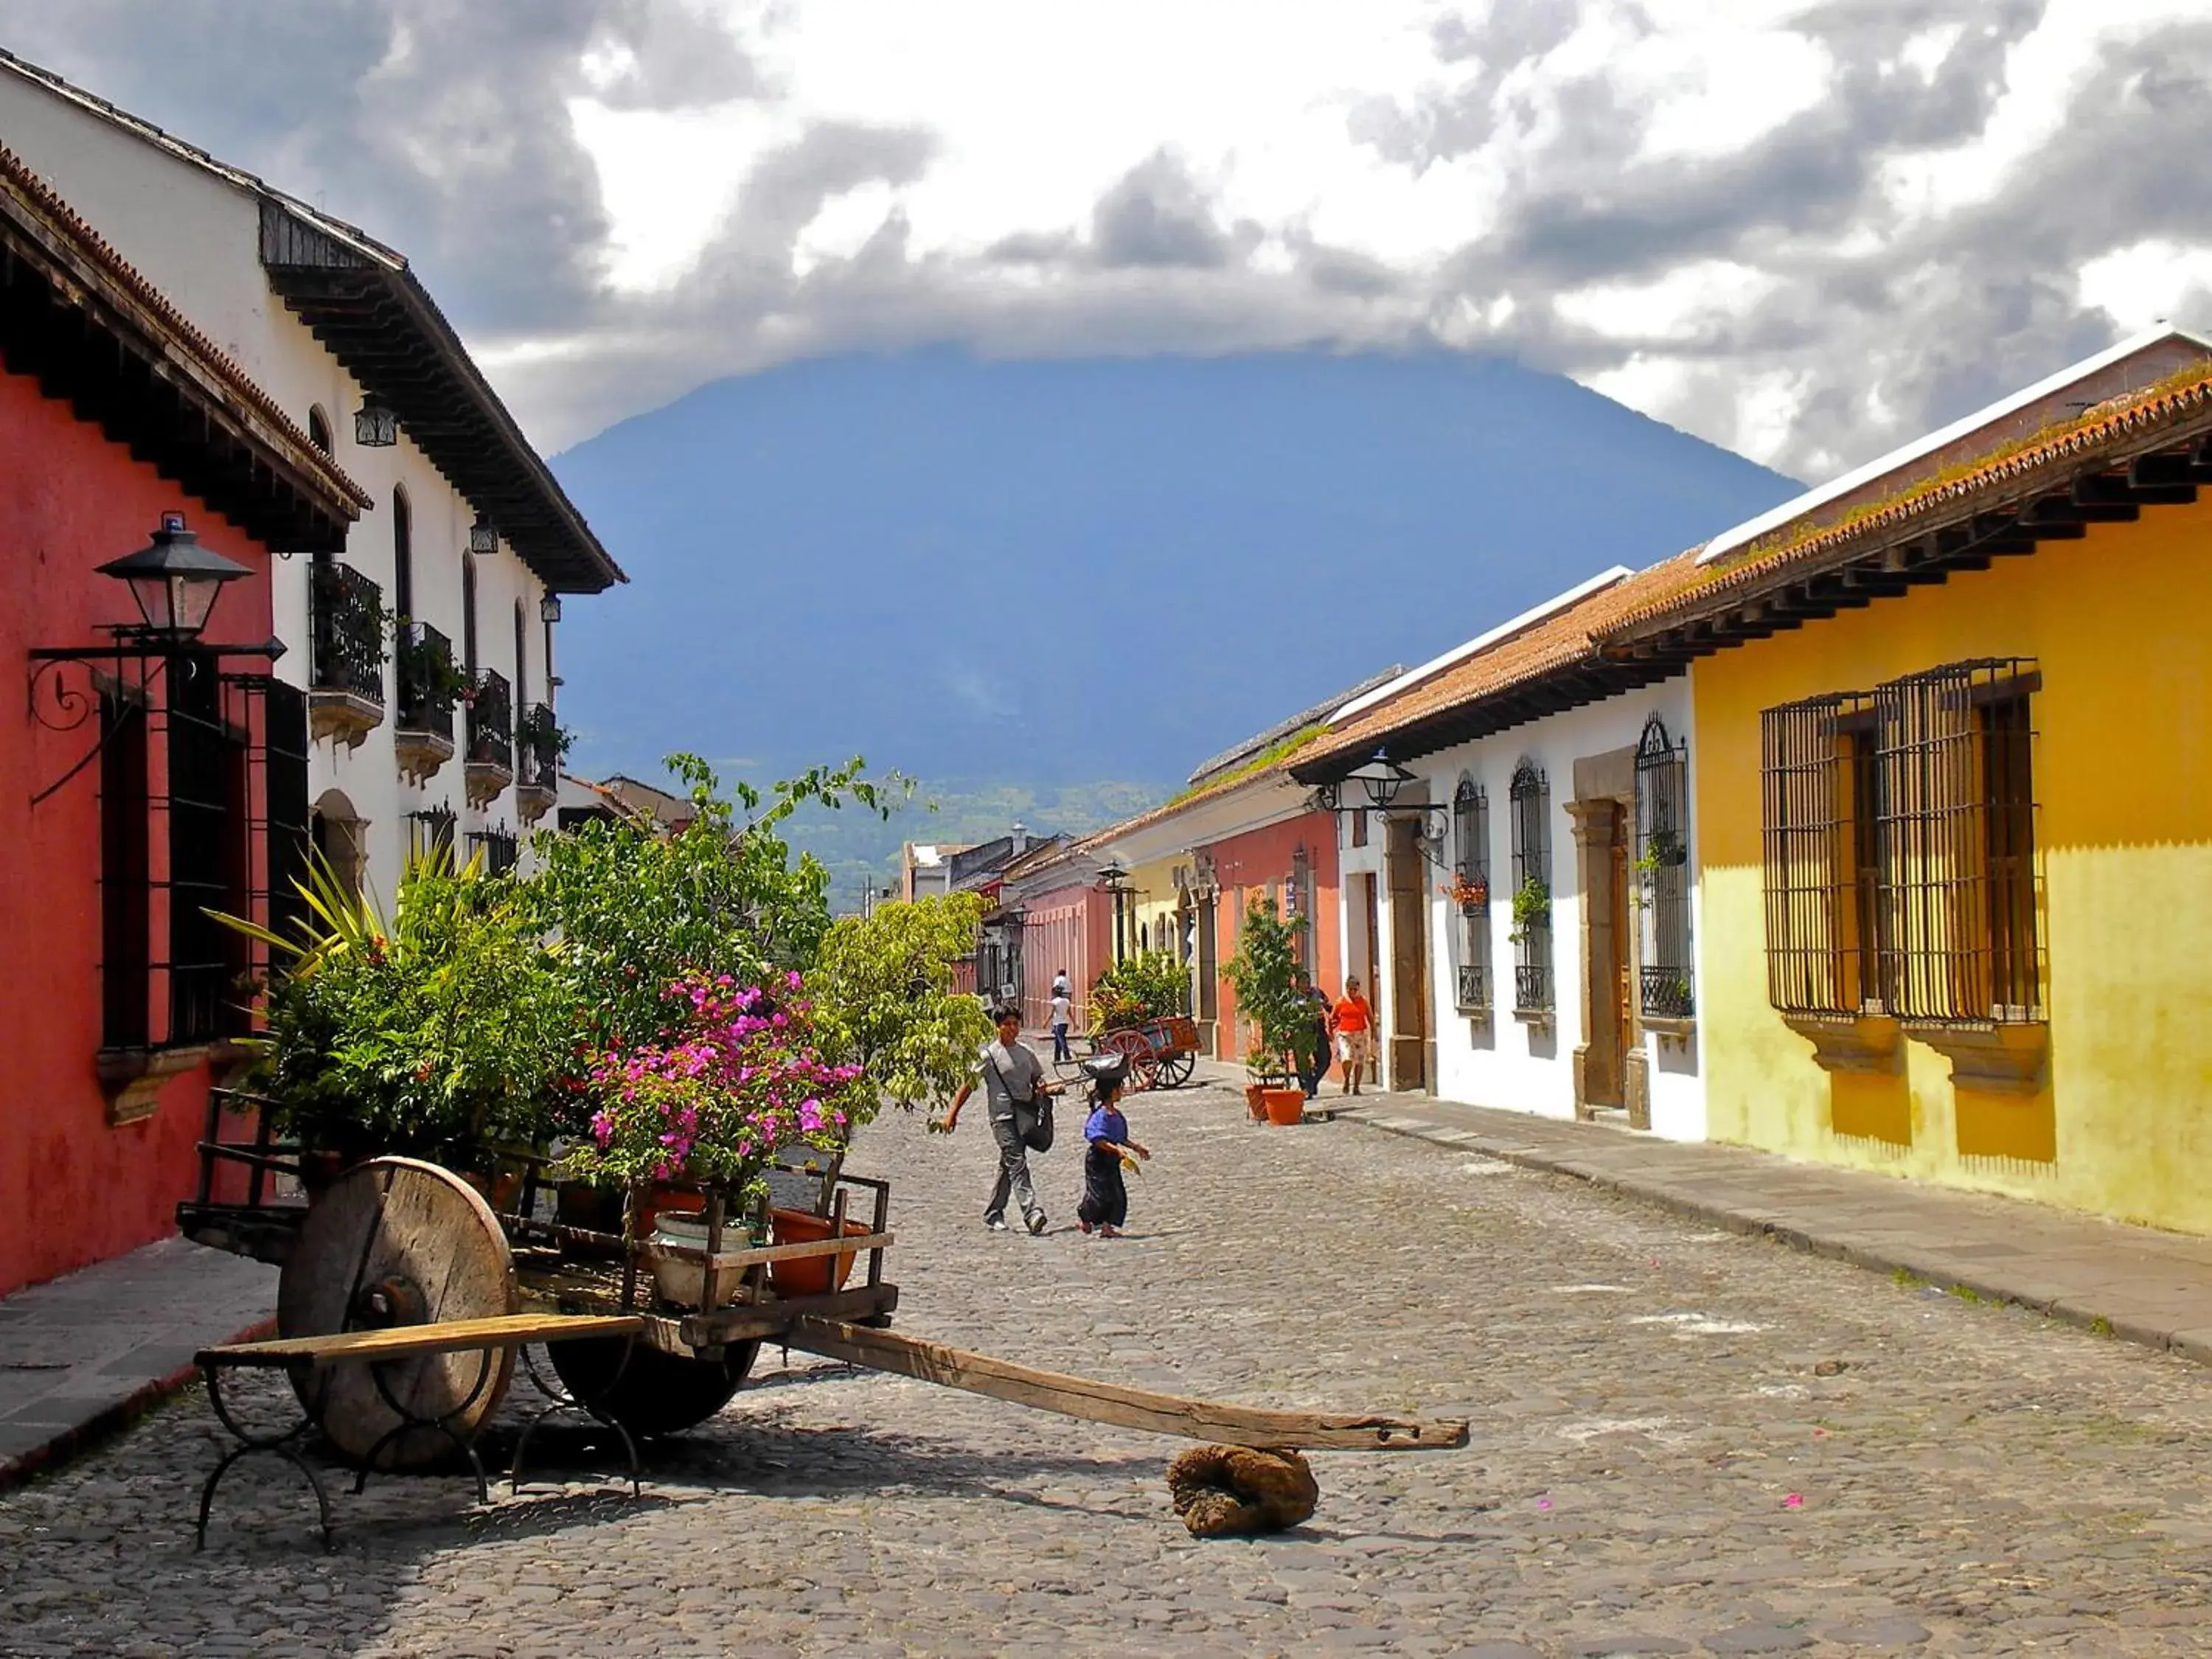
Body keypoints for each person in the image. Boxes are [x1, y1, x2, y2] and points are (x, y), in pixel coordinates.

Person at [944, 1005, 1065, 1234]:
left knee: (1009, 1164)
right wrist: (953, 1114)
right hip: (1002, 1118)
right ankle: (1032, 1213)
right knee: (1017, 1161)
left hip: (1025, 1115)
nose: (1012, 1028)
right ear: (997, 1026)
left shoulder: (1026, 1052)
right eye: (1007, 1024)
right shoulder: (988, 1056)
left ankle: (993, 1213)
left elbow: (1038, 1077)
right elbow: (968, 1085)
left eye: (1015, 1024)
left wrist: (1042, 1086)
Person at [1075, 1055, 1150, 1237]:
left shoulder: (1116, 1114)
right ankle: (1085, 1218)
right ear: (1112, 1091)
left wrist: (1136, 1147)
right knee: (1099, 1195)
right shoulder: (1100, 1115)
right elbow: (1097, 1139)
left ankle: (1108, 1227)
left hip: (1112, 1161)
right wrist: (1116, 1150)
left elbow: (1120, 1138)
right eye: (1120, 1089)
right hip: (1098, 1160)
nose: (1122, 1092)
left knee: (1116, 1194)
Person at [1293, 970, 1332, 1099]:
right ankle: (1306, 1089)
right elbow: (1292, 1016)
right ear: (1297, 983)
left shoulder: (1317, 992)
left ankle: (1312, 1082)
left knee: (1325, 1059)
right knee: (1302, 1062)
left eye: (1308, 982)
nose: (1306, 985)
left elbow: (1329, 1006)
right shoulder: (1293, 997)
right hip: (1302, 1032)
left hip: (1319, 1030)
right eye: (1303, 982)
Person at [1334, 975, 1374, 1096]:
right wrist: (1331, 1031)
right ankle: (1346, 1080)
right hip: (1345, 1034)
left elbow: (1370, 1017)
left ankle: (1356, 1086)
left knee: (1360, 1061)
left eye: (1355, 990)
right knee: (1347, 1057)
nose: (1352, 992)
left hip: (1360, 1033)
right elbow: (1333, 1017)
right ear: (1346, 989)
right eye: (1350, 989)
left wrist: (1374, 1032)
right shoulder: (1340, 1002)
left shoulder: (1363, 1001)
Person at [1048, 984, 1075, 1064]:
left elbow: (1052, 1014)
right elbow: (1070, 1014)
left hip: (1058, 1023)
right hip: (1065, 1023)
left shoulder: (1054, 1002)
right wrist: (1074, 1023)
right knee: (1058, 1041)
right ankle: (1057, 1058)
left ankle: (1067, 1056)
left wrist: (1045, 1023)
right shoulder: (1067, 1001)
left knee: (1061, 1040)